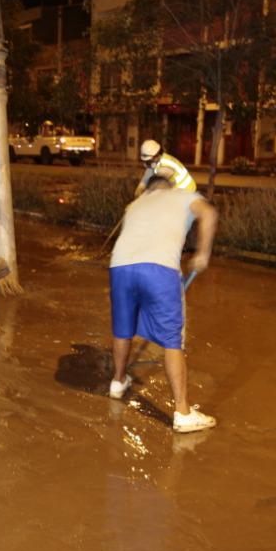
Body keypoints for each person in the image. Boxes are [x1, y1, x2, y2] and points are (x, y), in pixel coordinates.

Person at [107, 174, 218, 433]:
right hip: (159, 269)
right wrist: (202, 254)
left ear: (149, 188)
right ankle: (182, 412)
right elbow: (209, 215)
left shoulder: (135, 204)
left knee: (123, 329)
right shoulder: (183, 196)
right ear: (169, 187)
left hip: (120, 267)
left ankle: (118, 381)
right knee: (171, 340)